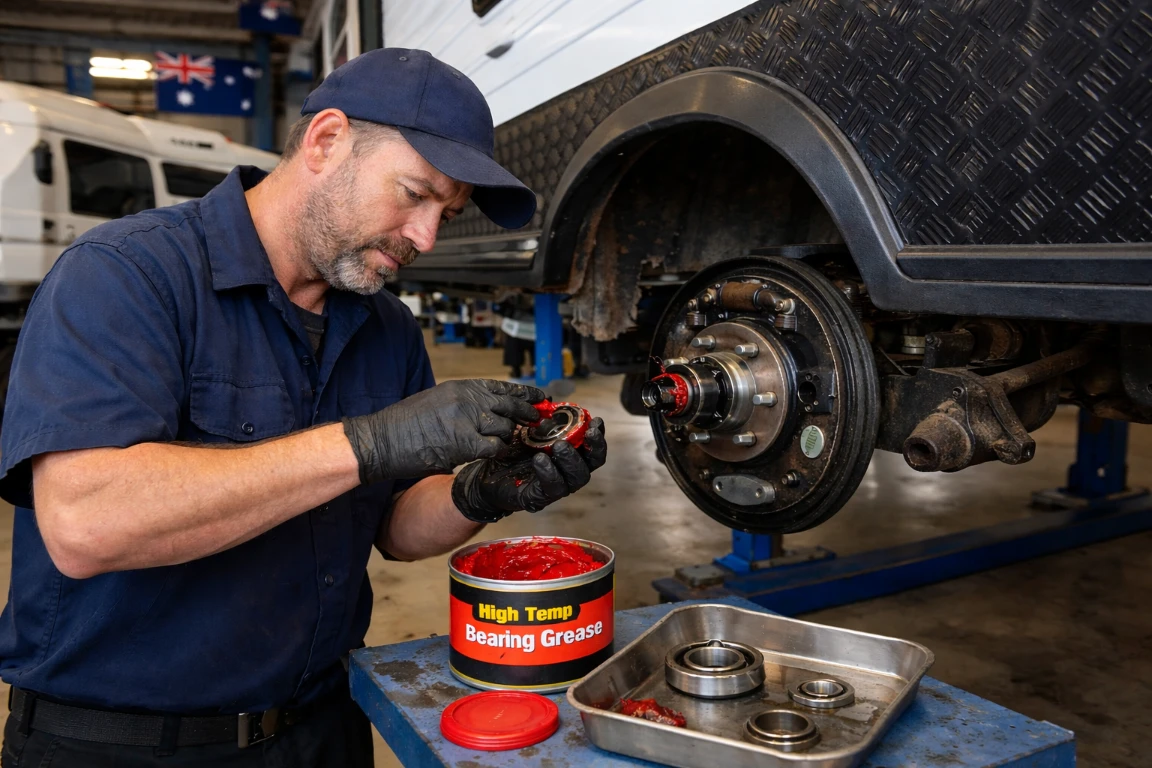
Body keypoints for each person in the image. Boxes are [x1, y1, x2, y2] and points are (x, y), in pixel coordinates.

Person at [0, 48, 606, 768]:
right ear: (326, 141)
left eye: (447, 213)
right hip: (126, 747)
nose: (425, 237)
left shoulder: (384, 329)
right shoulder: (128, 276)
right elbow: (86, 521)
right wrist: (369, 442)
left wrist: (482, 490)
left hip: (321, 733)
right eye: (414, 194)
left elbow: (394, 527)